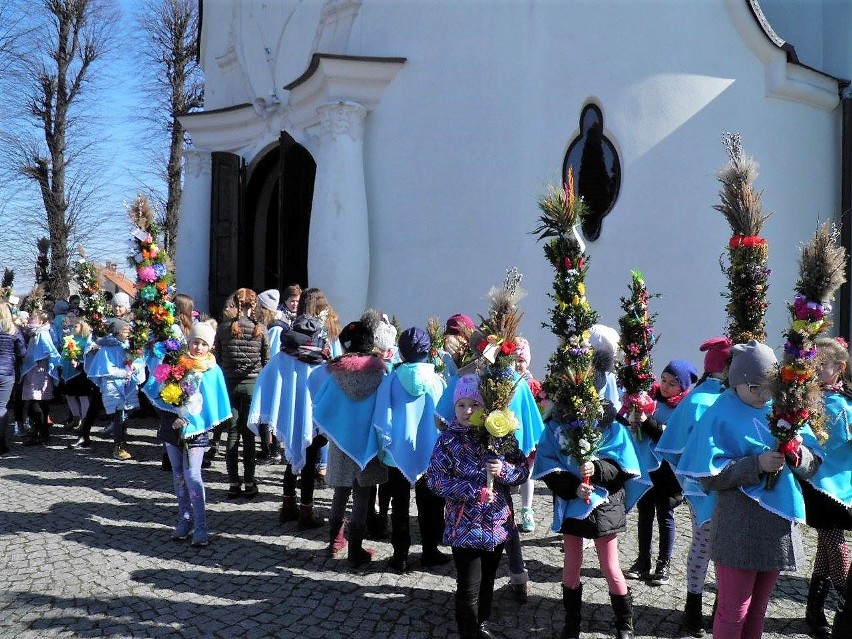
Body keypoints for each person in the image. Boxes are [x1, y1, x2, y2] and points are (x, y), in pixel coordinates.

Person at [681, 340, 822, 639]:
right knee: (733, 611)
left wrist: (797, 455)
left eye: (768, 386)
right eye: (753, 387)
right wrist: (755, 465)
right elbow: (709, 476)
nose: (762, 395)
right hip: (737, 525)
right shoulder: (721, 413)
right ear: (736, 382)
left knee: (758, 609)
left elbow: (813, 460)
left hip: (776, 524)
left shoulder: (785, 410)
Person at [427, 374, 529, 639]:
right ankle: (468, 633)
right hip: (465, 526)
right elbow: (436, 481)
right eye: (461, 405)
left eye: (474, 404)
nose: (467, 411)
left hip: (497, 524)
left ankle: (481, 623)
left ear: (486, 408)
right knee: (468, 586)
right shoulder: (447, 441)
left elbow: (522, 472)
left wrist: (503, 469)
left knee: (488, 581)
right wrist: (472, 492)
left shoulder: (501, 438)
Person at [534, 400, 641, 639]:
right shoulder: (556, 426)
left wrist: (598, 468)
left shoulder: (610, 424)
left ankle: (625, 624)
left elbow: (622, 466)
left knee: (610, 566)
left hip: (605, 505)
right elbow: (549, 462)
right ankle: (572, 623)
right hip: (572, 502)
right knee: (571, 566)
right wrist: (573, 488)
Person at [657, 337, 732, 637]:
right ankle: (705, 609)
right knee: (719, 550)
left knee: (703, 548)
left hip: (702, 487)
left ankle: (697, 609)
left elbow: (677, 447)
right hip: (714, 487)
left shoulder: (699, 397)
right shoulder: (709, 399)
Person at [249, 287, 339, 528]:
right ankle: (306, 512)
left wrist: (272, 410)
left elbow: (266, 379)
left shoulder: (284, 355)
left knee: (291, 457)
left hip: (289, 414)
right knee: (308, 462)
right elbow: (332, 387)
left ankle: (288, 506)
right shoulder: (322, 359)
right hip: (313, 418)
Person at [311, 319, 388, 567]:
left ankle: (334, 543)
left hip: (340, 444)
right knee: (363, 497)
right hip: (368, 444)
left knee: (340, 493)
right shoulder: (380, 375)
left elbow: (322, 407)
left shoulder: (335, 375)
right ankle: (355, 550)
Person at [372, 326, 447, 572]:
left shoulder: (391, 379)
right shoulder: (437, 381)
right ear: (427, 351)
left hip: (397, 453)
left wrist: (384, 447)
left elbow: (383, 417)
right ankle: (429, 550)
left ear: (400, 352)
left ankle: (400, 554)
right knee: (429, 504)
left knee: (399, 505)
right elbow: (445, 418)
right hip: (429, 453)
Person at [152, 322, 232, 548]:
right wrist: (172, 414)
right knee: (177, 474)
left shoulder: (212, 370)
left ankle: (201, 525)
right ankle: (184, 519)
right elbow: (158, 393)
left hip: (197, 432)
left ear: (211, 347)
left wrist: (197, 420)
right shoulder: (176, 363)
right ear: (189, 341)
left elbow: (214, 402)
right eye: (195, 342)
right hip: (172, 428)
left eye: (203, 344)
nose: (198, 347)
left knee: (193, 475)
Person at [624, 359, 698, 585]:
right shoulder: (651, 401)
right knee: (644, 513)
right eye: (663, 380)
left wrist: (647, 422)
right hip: (647, 469)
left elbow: (667, 436)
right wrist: (634, 421)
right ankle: (642, 560)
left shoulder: (681, 409)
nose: (665, 386)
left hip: (668, 472)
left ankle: (663, 563)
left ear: (682, 387)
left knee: (665, 515)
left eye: (672, 383)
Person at [801, 336, 852, 638]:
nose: (814, 370)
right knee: (836, 543)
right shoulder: (812, 399)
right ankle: (846, 599)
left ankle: (814, 608)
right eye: (811, 364)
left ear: (839, 367)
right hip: (820, 485)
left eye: (821, 365)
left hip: (842, 486)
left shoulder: (843, 401)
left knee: (827, 545)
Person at [213, 288, 270, 499]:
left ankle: (233, 482)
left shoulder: (223, 328)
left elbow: (217, 358)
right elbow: (267, 361)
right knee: (249, 435)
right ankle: (249, 481)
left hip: (229, 384)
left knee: (232, 433)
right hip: (252, 384)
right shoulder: (260, 329)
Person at [85, 318, 145, 460]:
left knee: (124, 415)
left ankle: (121, 438)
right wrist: (125, 372)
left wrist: (135, 367)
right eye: (125, 331)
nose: (128, 333)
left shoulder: (129, 346)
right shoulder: (106, 349)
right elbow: (107, 370)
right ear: (117, 332)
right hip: (113, 387)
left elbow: (138, 361)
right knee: (119, 416)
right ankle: (119, 445)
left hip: (127, 385)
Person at [20, 309, 61, 447]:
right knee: (38, 403)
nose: (30, 319)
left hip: (38, 370)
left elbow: (50, 350)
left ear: (41, 321)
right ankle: (41, 432)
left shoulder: (42, 333)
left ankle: (41, 433)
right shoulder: (34, 333)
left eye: (32, 317)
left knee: (35, 402)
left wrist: (38, 359)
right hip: (33, 370)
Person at [58, 311, 94, 434]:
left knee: (83, 396)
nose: (73, 328)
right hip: (69, 372)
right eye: (73, 326)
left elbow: (89, 357)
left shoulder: (87, 340)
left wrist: (79, 363)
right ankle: (75, 417)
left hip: (81, 373)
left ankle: (84, 421)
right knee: (69, 396)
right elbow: (64, 352)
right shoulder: (71, 338)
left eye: (76, 326)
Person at [0, 302, 25, 454]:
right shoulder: (13, 330)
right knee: (2, 407)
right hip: (7, 371)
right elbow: (22, 351)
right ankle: (1, 442)